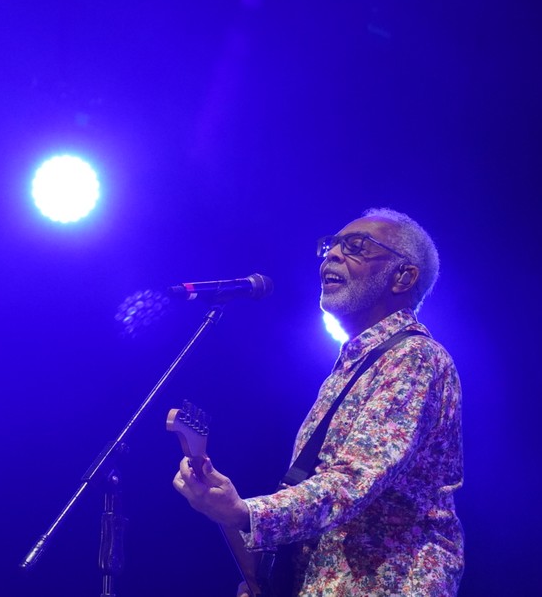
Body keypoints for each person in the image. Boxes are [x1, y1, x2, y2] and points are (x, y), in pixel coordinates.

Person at [172, 208, 463, 596]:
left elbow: (353, 480)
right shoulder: (350, 367)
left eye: (355, 247)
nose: (332, 255)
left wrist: (247, 513)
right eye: (330, 246)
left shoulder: (414, 357)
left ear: (403, 276)